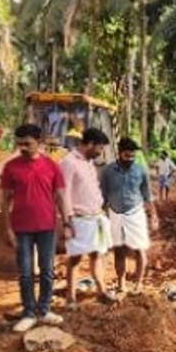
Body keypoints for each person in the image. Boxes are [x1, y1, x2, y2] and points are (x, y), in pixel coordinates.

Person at [1, 124, 68, 332]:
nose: (22, 147)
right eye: (19, 143)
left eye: (27, 143)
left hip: (47, 226)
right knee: (26, 272)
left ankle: (45, 309)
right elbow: (5, 201)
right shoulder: (11, 167)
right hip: (21, 228)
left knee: (47, 270)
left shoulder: (52, 166)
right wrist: (7, 229)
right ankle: (29, 312)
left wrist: (66, 224)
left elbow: (60, 197)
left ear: (39, 142)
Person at [60, 128, 114, 305]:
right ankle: (71, 298)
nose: (101, 152)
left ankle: (101, 291)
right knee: (75, 258)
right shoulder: (69, 162)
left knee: (96, 255)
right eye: (99, 148)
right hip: (78, 218)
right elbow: (63, 193)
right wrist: (67, 222)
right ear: (90, 144)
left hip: (95, 217)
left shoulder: (89, 162)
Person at [101, 138, 159, 296]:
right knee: (118, 249)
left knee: (140, 249)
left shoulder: (140, 170)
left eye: (133, 156)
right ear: (119, 153)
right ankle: (121, 283)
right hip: (115, 214)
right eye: (127, 156)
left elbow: (148, 195)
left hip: (135, 213)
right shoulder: (107, 172)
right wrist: (100, 217)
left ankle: (139, 284)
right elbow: (103, 196)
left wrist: (153, 215)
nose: (131, 159)